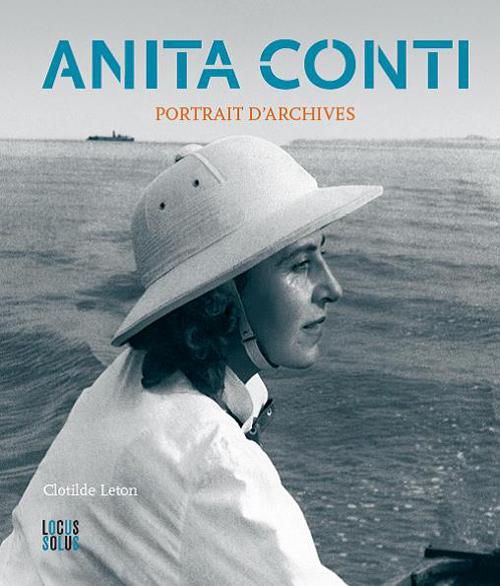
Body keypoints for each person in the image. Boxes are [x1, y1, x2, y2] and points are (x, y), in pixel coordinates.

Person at [0, 136, 382, 585]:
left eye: (322, 253)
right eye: (300, 264)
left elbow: (59, 539)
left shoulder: (127, 383)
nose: (333, 288)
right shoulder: (210, 460)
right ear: (220, 293)